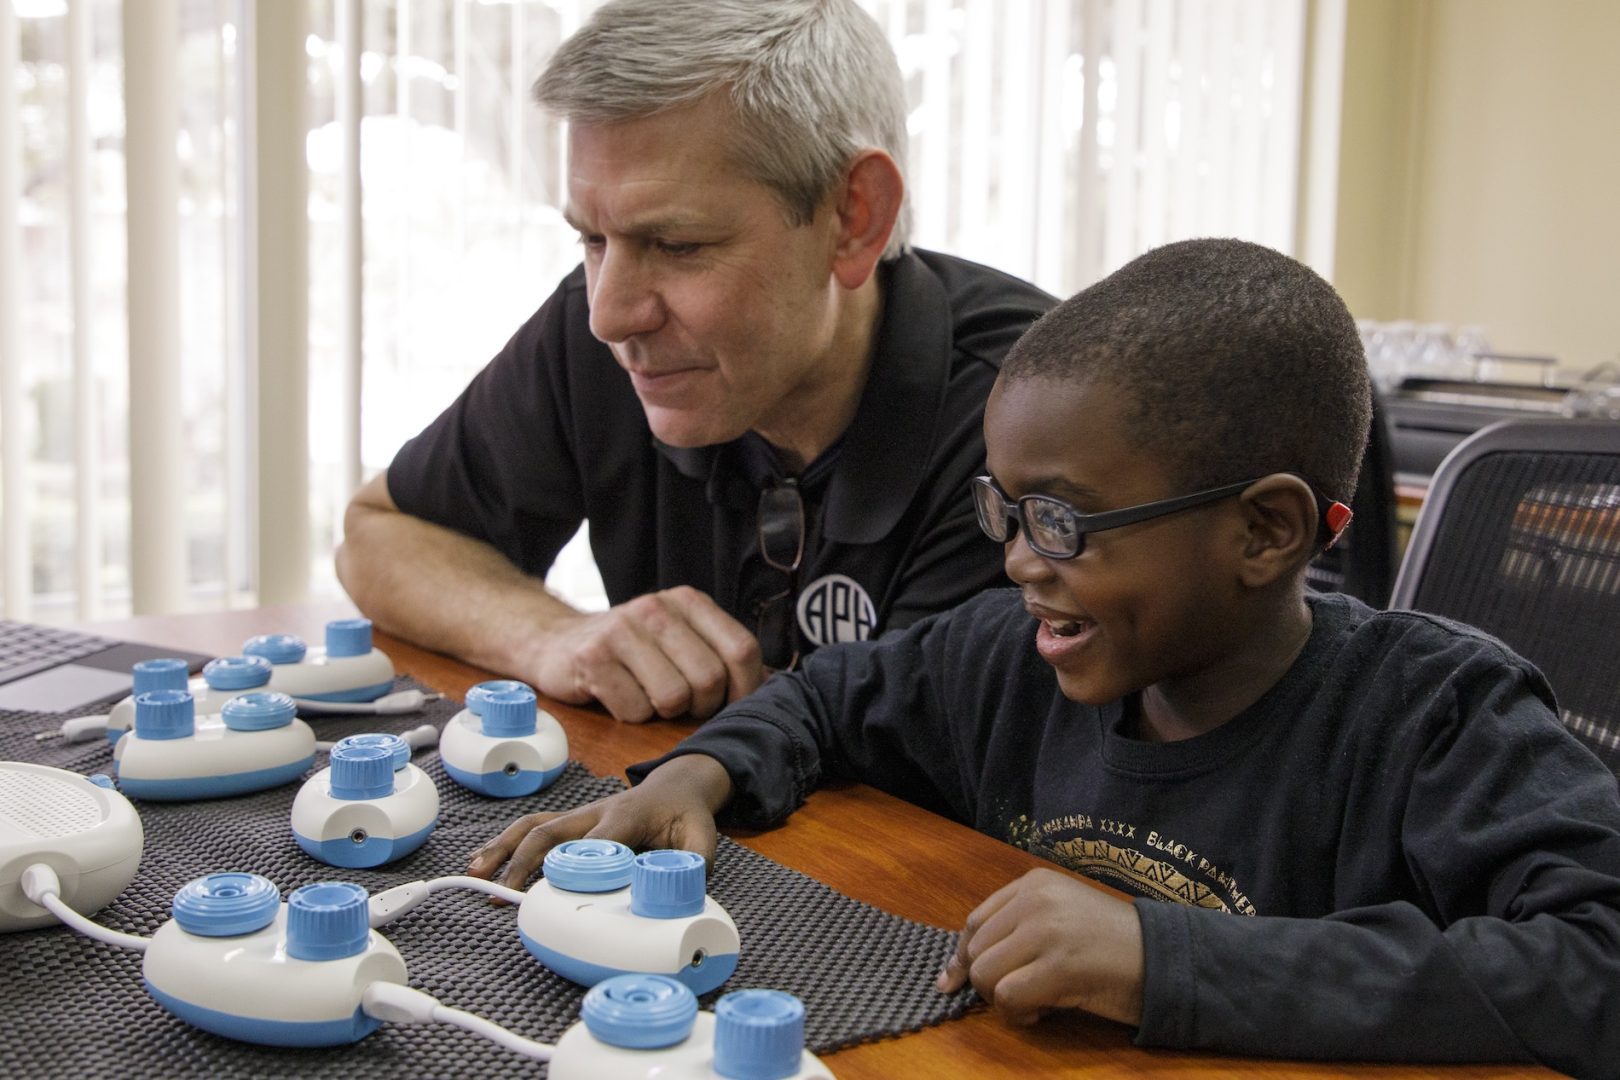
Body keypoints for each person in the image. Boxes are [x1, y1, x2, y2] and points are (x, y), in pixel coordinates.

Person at [466, 238, 1620, 1075]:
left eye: (1063, 522)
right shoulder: (1011, 658)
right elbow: (828, 699)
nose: (1019, 561)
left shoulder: (1433, 717)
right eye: (1004, 511)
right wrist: (695, 776)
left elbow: (1596, 962)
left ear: (1266, 532)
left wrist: (1163, 960)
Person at [335, 0, 1054, 723]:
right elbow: (380, 538)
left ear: (852, 217)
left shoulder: (1034, 418)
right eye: (591, 239)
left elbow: (915, 758)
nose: (609, 315)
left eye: (678, 245)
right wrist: (550, 636)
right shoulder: (603, 336)